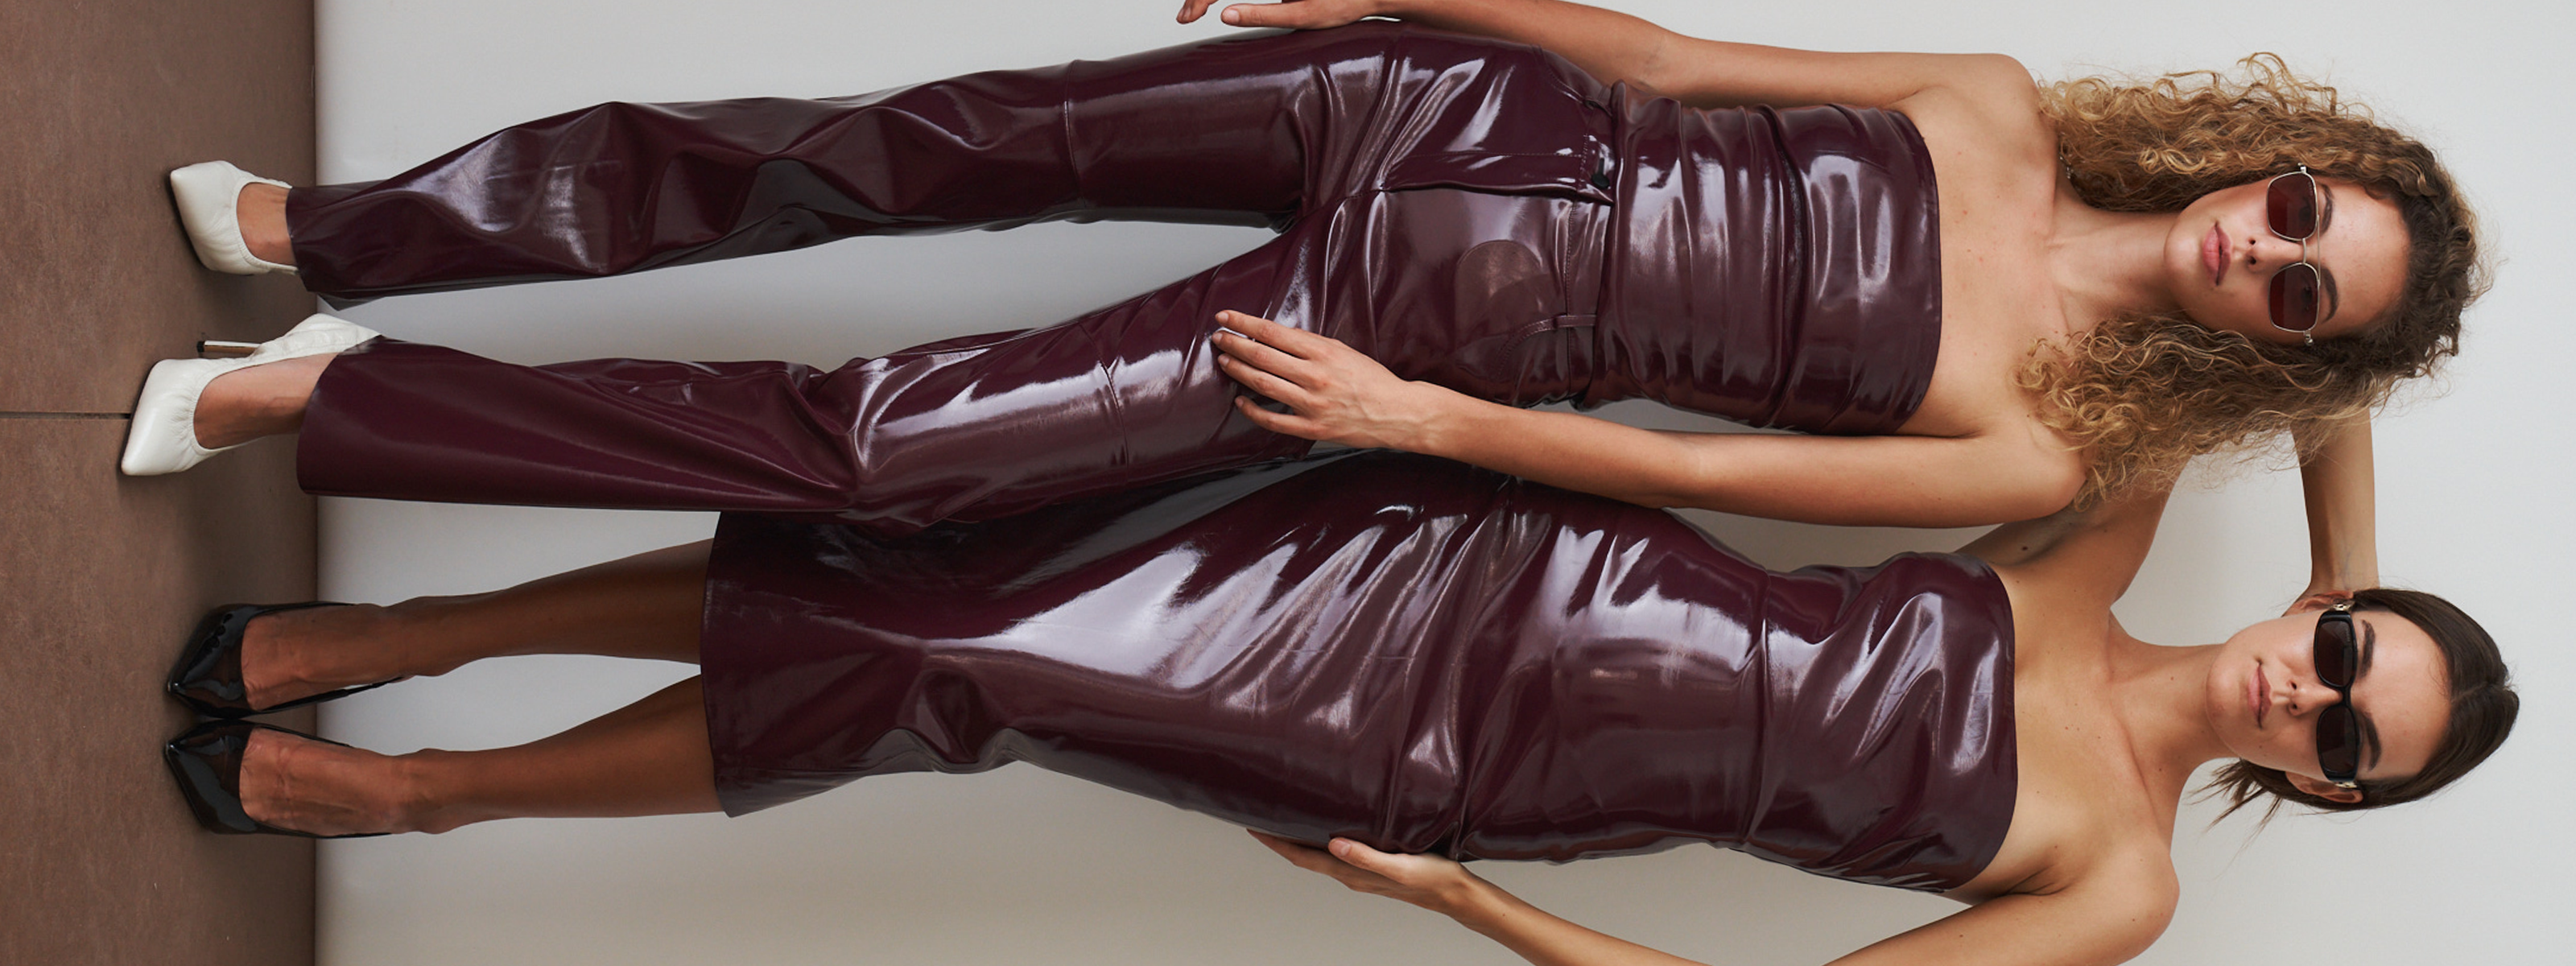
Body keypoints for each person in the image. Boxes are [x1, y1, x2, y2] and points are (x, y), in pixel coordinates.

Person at [130, 4, 2478, 546]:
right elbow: (1666, 56)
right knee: (884, 154)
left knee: (887, 458)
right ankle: (331, 233)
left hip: (1419, 342)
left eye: (2300, 298)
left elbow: (1709, 468)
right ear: (2277, 162)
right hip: (1439, 111)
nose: (2258, 251)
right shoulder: (1996, 102)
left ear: (2285, 364)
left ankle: (318, 394)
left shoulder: (2044, 440)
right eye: (2300, 211)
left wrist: (1433, 427)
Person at [161, 448, 2515, 964]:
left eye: (2348, 735)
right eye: (2348, 651)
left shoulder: (2122, 881)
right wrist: (2353, 548)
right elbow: (2325, 345)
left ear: (2329, 789)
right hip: (1453, 557)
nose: (2310, 690)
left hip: (1445, 758)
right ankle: (398, 647)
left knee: (944, 680)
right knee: (902, 586)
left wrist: (1461, 906)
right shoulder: (2099, 543)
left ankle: (430, 793)